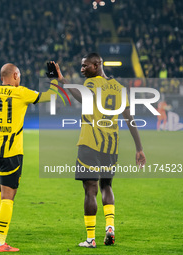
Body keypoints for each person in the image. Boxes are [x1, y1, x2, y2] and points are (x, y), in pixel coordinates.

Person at [50, 53, 146, 248]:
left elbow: (79, 97)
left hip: (89, 143)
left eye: (85, 66)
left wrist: (61, 80)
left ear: (97, 65)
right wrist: (139, 148)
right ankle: (110, 227)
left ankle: (91, 239)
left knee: (90, 189)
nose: (82, 69)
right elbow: (129, 118)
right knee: (107, 186)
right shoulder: (119, 87)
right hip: (111, 146)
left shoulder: (92, 84)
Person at [0, 63, 56, 252]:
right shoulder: (21, 92)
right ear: (15, 75)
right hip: (11, 153)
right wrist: (54, 80)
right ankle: (0, 243)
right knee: (8, 196)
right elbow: (49, 96)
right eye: (19, 76)